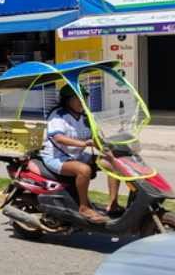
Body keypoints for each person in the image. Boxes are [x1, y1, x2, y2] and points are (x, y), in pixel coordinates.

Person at [40, 84, 121, 223]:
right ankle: (84, 207)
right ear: (67, 100)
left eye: (84, 97)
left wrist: (108, 148)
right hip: (56, 157)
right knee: (84, 170)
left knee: (113, 164)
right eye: (77, 97)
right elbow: (58, 138)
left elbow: (96, 139)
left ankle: (113, 204)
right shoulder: (58, 115)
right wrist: (83, 144)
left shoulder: (86, 117)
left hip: (77, 156)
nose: (81, 100)